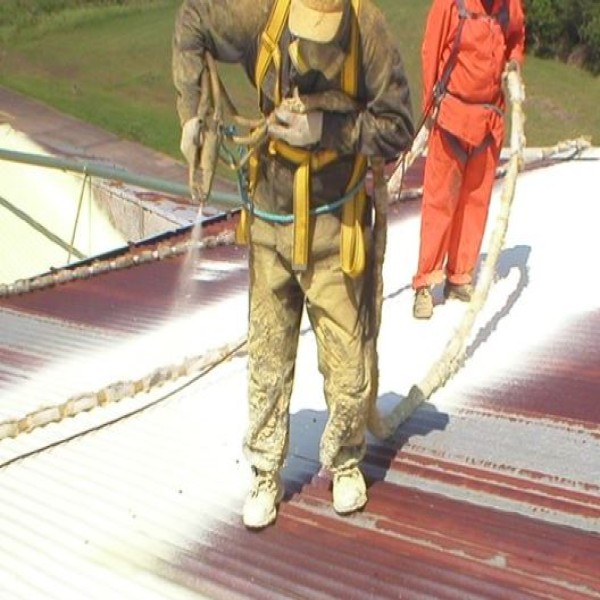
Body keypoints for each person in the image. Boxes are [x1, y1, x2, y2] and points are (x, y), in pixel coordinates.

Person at [172, 0, 414, 528]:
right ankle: (264, 471)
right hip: (270, 224)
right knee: (266, 359)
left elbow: (398, 125)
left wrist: (326, 130)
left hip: (335, 231)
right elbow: (193, 19)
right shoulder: (263, 15)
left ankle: (345, 460)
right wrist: (191, 113)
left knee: (349, 369)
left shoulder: (365, 28)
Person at [412, 0, 525, 319]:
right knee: (439, 203)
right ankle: (425, 282)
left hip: (489, 121)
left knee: (476, 201)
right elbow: (430, 52)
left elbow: (516, 38)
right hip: (451, 116)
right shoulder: (450, 4)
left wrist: (514, 63)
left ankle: (459, 276)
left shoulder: (509, 6)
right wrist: (428, 110)